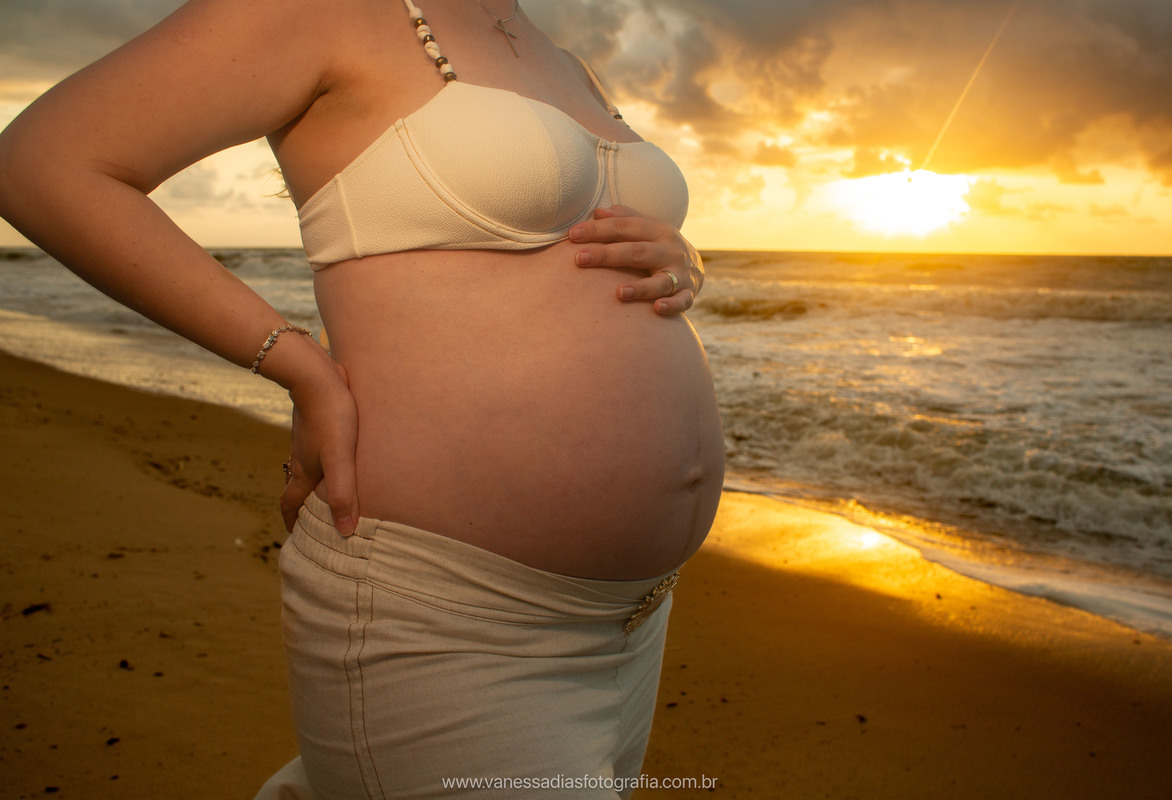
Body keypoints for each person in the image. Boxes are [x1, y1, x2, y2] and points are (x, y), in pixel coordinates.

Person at [0, 0, 725, 796]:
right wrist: (297, 363)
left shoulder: (558, 52)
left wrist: (681, 253)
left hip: (635, 617)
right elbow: (43, 163)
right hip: (445, 610)